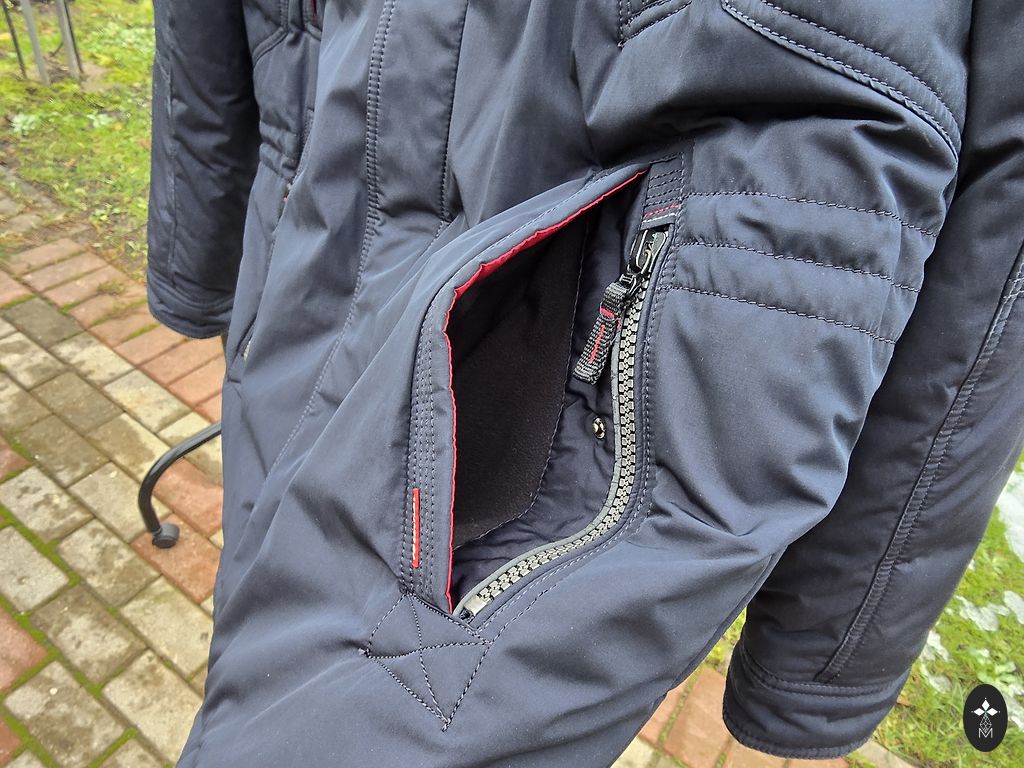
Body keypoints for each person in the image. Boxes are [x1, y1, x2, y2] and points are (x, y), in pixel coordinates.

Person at [147, 1, 1024, 765]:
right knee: (254, 638)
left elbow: (1004, 205)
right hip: (313, 252)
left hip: (643, 336)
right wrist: (200, 260)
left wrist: (826, 645)